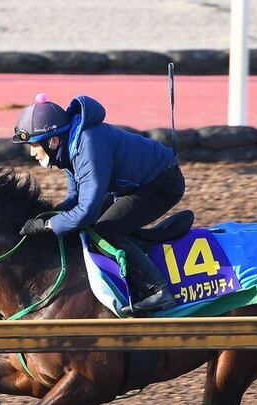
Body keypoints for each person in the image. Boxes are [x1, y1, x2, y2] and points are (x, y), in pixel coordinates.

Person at [12, 92, 184, 315]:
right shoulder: (69, 146)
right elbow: (75, 199)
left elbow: (86, 212)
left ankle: (157, 291)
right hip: (134, 185)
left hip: (161, 183)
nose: (32, 152)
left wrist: (48, 226)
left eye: (34, 145)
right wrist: (48, 216)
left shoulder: (88, 145)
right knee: (92, 224)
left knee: (106, 228)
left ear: (53, 141)